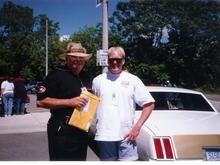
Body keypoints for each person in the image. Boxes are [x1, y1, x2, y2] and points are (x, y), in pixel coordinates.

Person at [92, 46, 155, 161]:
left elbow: (149, 104)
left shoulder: (133, 80)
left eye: (118, 59)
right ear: (107, 60)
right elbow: (94, 106)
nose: (115, 62)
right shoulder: (97, 81)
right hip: (104, 135)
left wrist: (137, 127)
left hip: (127, 135)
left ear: (123, 60)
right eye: (111, 59)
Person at [36, 42, 92, 161]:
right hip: (62, 129)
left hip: (81, 130)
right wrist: (70, 102)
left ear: (84, 60)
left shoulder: (87, 77)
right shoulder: (56, 75)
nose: (77, 59)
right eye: (73, 56)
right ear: (67, 58)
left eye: (80, 57)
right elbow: (41, 101)